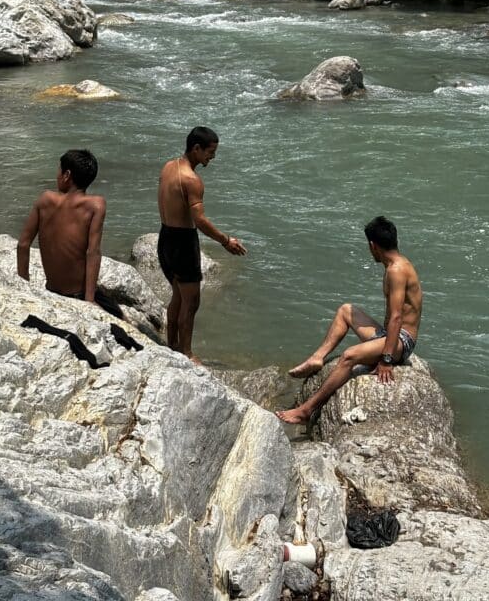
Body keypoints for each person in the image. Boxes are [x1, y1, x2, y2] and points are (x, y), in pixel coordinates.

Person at [276, 216, 422, 424]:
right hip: (389, 335)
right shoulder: (395, 264)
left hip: (401, 341)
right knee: (346, 310)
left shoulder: (396, 271)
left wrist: (386, 359)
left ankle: (307, 410)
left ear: (373, 246)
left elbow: (397, 316)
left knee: (349, 356)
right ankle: (317, 358)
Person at [157, 125, 247, 362]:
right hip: (183, 242)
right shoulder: (192, 180)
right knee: (192, 302)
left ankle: (172, 345)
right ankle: (186, 353)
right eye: (210, 152)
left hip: (165, 237)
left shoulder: (168, 167)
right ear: (196, 148)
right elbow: (200, 220)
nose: (213, 157)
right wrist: (225, 241)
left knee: (177, 296)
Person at [17, 150, 107, 303]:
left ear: (67, 175)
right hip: (78, 295)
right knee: (120, 316)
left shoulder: (45, 200)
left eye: (59, 170)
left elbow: (23, 244)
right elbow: (93, 252)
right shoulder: (95, 205)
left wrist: (24, 286)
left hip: (50, 290)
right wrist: (89, 301)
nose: (56, 175)